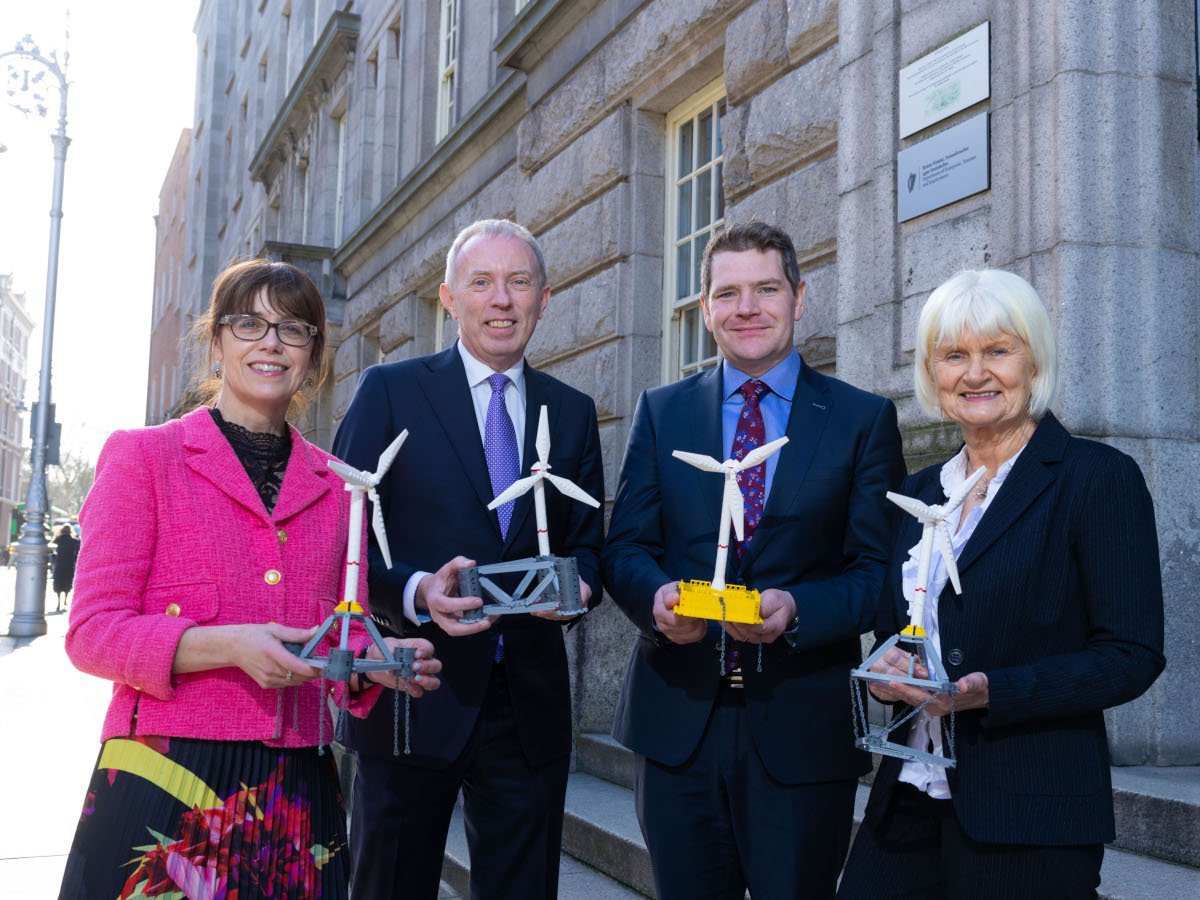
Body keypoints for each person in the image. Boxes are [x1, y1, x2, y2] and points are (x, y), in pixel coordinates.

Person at [58, 260, 442, 900]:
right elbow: (92, 633)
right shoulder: (143, 457)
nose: (271, 341)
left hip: (296, 791)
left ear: (312, 355)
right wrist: (228, 646)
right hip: (165, 770)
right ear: (216, 342)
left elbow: (328, 640)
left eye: (293, 329)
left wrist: (375, 661)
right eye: (249, 323)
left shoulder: (340, 485)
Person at [837, 269, 1166, 898]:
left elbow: (1132, 656)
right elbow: (899, 629)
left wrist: (994, 692)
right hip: (907, 793)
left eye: (997, 351)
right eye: (954, 355)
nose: (975, 373)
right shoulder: (918, 492)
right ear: (933, 373)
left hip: (1030, 809)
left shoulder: (1096, 479)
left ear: (1033, 360)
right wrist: (889, 671)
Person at [603, 221, 906, 899]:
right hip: (678, 724)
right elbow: (624, 548)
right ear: (705, 308)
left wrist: (798, 610)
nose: (748, 308)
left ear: (800, 298)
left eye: (766, 289)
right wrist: (654, 602)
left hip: (802, 728)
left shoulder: (861, 421)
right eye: (729, 292)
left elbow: (876, 573)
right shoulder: (661, 413)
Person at [333, 219, 605, 899]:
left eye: (519, 282)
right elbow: (341, 535)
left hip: (528, 707)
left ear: (545, 298)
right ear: (450, 299)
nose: (501, 299)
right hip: (413, 690)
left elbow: (589, 547)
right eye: (481, 282)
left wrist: (578, 591)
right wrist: (417, 591)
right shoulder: (390, 392)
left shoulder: (571, 413)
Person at [51, 523, 80, 610]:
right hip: (69, 564)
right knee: (67, 583)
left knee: (58, 582)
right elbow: (77, 553)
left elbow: (52, 550)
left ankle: (59, 601)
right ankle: (65, 600)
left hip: (59, 564)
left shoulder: (57, 540)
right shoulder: (74, 541)